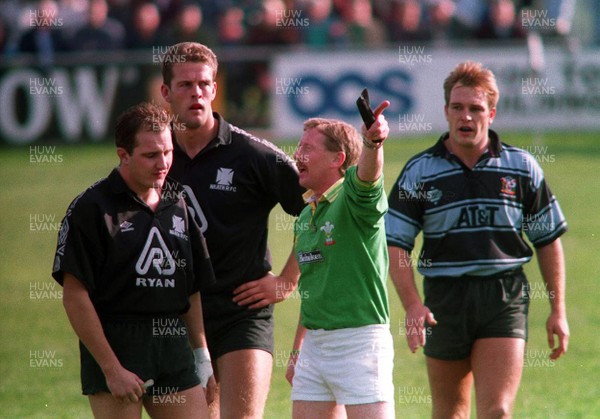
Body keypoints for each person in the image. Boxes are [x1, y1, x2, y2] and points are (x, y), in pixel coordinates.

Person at [385, 61, 569, 418]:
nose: (465, 117)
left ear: (492, 113)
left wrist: (558, 310)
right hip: (444, 299)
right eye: (457, 107)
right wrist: (411, 304)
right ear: (445, 111)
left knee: (497, 410)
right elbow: (396, 244)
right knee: (450, 413)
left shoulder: (521, 167)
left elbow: (547, 240)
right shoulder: (419, 171)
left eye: (475, 108)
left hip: (503, 296)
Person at [159, 42, 306, 418]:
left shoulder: (254, 155)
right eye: (185, 85)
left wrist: (287, 281)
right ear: (165, 92)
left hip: (243, 311)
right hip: (174, 315)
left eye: (204, 84)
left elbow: (321, 212)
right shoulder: (154, 157)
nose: (196, 92)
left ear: (214, 88)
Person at [52, 102, 216, 419]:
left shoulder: (177, 201)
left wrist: (202, 355)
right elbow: (74, 295)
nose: (163, 163)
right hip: (117, 342)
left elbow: (191, 287)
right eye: (151, 155)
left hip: (172, 345)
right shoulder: (93, 207)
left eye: (168, 152)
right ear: (123, 155)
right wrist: (111, 368)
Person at [285, 103, 395, 419]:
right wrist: (297, 350)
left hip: (360, 343)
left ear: (338, 160)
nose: (297, 156)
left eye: (308, 148)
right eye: (298, 147)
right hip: (314, 348)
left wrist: (373, 145)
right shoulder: (306, 214)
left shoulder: (353, 198)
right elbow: (312, 290)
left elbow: (368, 178)